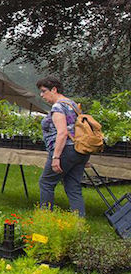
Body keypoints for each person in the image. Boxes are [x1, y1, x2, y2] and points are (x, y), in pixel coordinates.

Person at [37, 76, 90, 216]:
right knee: (73, 187)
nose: (41, 95)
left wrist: (55, 157)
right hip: (79, 150)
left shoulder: (58, 107)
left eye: (43, 91)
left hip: (65, 150)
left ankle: (45, 220)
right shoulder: (72, 104)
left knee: (46, 183)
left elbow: (62, 133)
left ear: (54, 89)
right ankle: (79, 225)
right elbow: (79, 129)